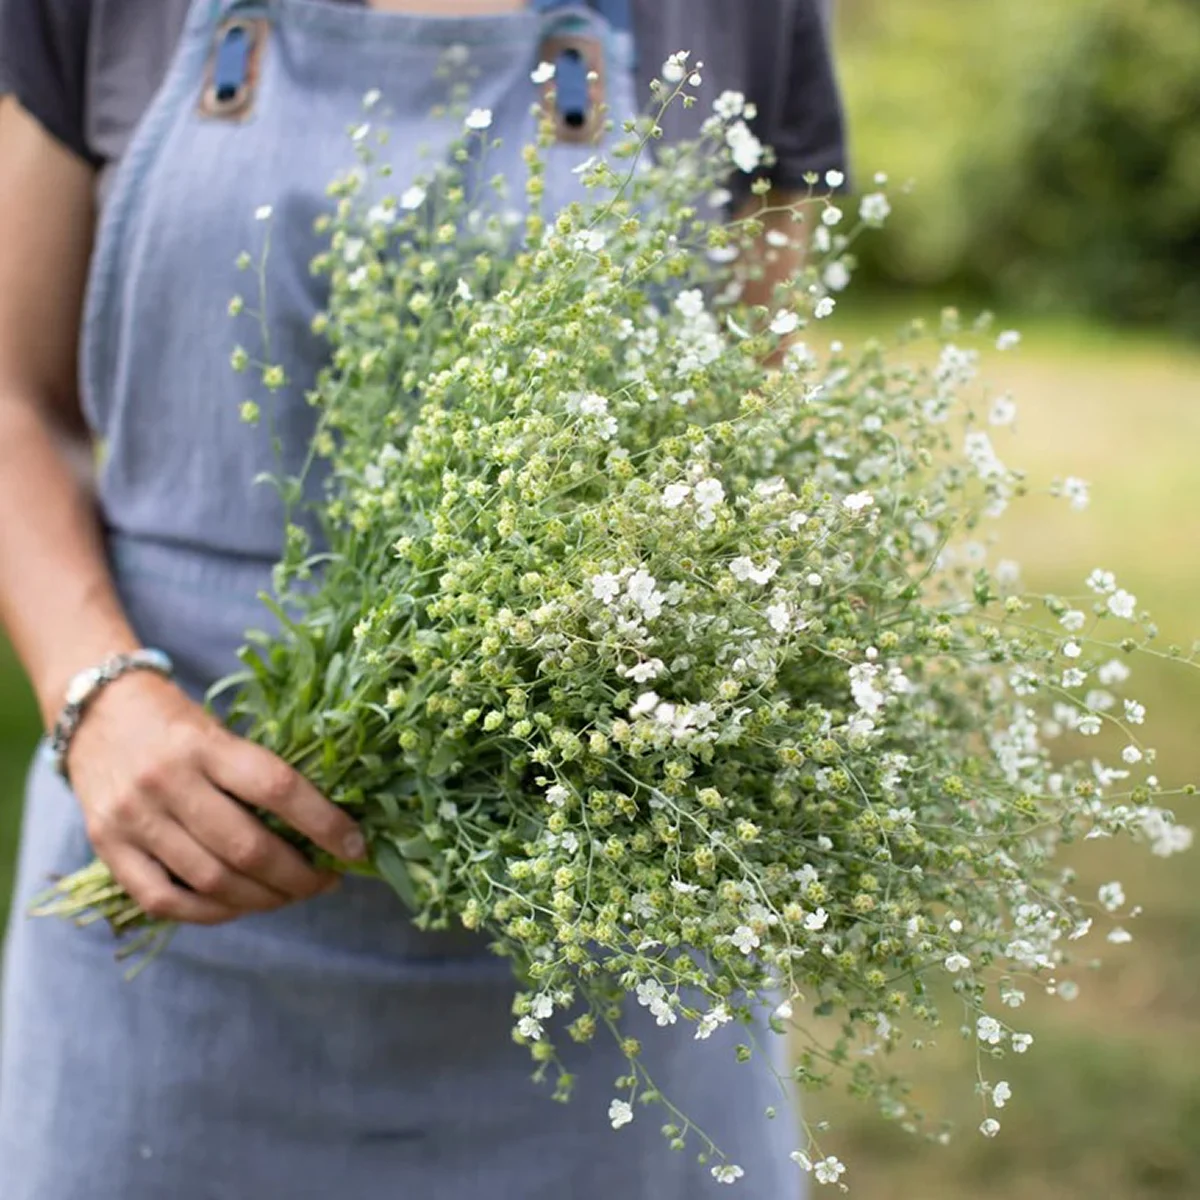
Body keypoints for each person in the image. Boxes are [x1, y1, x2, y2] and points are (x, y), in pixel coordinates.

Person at [0, 2, 846, 1196]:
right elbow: (10, 399)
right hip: (166, 913)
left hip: (602, 930)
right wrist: (99, 695)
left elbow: (750, 429)